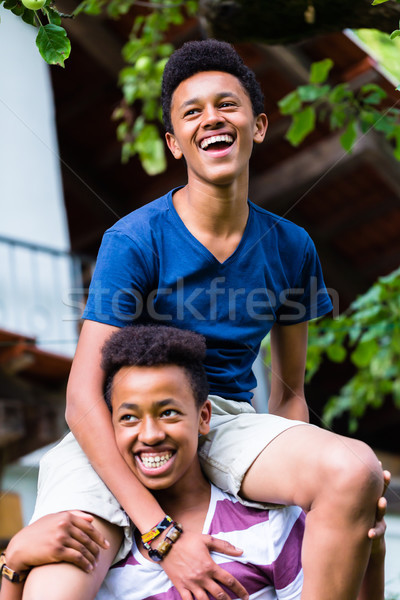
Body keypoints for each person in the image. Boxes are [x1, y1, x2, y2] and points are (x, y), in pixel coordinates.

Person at [27, 39, 385, 600]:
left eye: (227, 105)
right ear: (174, 142)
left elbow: (290, 394)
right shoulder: (135, 240)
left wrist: (316, 492)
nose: (210, 119)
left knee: (354, 470)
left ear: (258, 125)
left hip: (224, 418)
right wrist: (162, 535)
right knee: (57, 587)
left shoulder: (293, 247)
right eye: (191, 112)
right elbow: (81, 398)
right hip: (120, 423)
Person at [0, 326, 387, 600]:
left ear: (204, 417)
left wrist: (373, 555)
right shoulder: (97, 546)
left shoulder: (270, 524)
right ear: (109, 427)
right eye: (129, 418)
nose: (149, 434)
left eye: (168, 413)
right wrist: (14, 563)